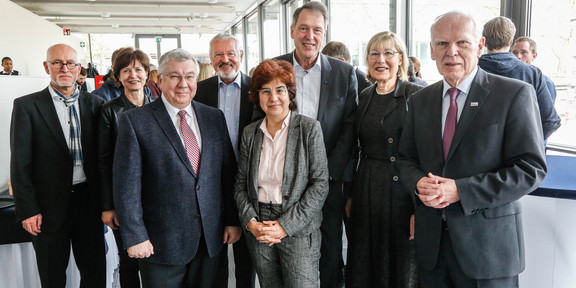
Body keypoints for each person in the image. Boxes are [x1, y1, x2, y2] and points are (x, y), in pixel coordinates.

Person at [397, 11, 547, 287]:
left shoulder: (514, 95)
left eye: (462, 43)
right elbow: (405, 159)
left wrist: (461, 191)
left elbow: (530, 170)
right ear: (431, 50)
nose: (451, 52)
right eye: (442, 44)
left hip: (488, 250)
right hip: (433, 249)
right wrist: (418, 183)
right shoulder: (420, 101)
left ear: (480, 46)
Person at [113, 48, 240, 288]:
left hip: (210, 241)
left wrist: (232, 220)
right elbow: (126, 186)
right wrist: (136, 236)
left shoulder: (214, 118)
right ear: (159, 80)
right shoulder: (135, 121)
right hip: (160, 245)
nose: (183, 83)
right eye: (174, 76)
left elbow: (226, 174)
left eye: (190, 76)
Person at [274, 3, 358, 286]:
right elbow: (260, 121)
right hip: (282, 181)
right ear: (292, 31)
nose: (310, 36)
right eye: (304, 28)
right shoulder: (274, 68)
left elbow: (349, 128)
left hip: (328, 182)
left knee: (330, 249)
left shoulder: (345, 74)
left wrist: (328, 174)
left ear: (324, 34)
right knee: (286, 249)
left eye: (317, 30)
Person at [10, 43, 106, 287]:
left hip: (88, 204)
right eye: (57, 63)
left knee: (94, 272)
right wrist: (28, 209)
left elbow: (103, 161)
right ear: (47, 66)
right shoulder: (27, 106)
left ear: (78, 68)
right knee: (52, 276)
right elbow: (20, 164)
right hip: (47, 207)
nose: (65, 68)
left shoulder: (95, 105)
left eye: (71, 63)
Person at [234, 59, 329, 288]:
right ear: (257, 96)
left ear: (290, 94)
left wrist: (285, 225)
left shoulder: (309, 129)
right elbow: (240, 185)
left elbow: (320, 184)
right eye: (265, 91)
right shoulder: (250, 133)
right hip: (259, 226)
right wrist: (251, 222)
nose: (273, 97)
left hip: (297, 225)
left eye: (280, 90)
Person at [346, 31, 422, 288]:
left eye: (389, 53)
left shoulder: (415, 95)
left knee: (399, 265)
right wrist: (351, 195)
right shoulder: (365, 95)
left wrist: (418, 209)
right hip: (367, 189)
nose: (381, 59)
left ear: (400, 58)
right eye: (374, 53)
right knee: (366, 263)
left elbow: (425, 154)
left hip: (402, 192)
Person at [194, 33, 256, 288]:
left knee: (246, 253)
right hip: (213, 180)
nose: (225, 59)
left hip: (250, 180)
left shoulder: (258, 89)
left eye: (230, 53)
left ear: (241, 55)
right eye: (218, 55)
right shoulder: (200, 90)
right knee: (214, 249)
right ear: (211, 59)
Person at [99, 47, 156, 288]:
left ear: (147, 74)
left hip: (155, 197)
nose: (133, 75)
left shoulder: (159, 106)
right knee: (129, 260)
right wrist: (108, 206)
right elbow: (103, 162)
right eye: (126, 70)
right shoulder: (109, 110)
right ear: (118, 76)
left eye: (138, 69)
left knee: (155, 258)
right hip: (124, 199)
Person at [478, 16, 561, 140]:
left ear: (483, 41)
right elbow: (550, 121)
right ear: (511, 42)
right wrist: (528, 146)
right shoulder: (532, 74)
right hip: (519, 155)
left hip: (477, 154)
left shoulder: (468, 71)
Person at [512, 36, 558, 103]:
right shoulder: (508, 78)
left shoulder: (545, 83)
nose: (518, 56)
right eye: (515, 52)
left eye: (523, 52)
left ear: (534, 56)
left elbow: (546, 112)